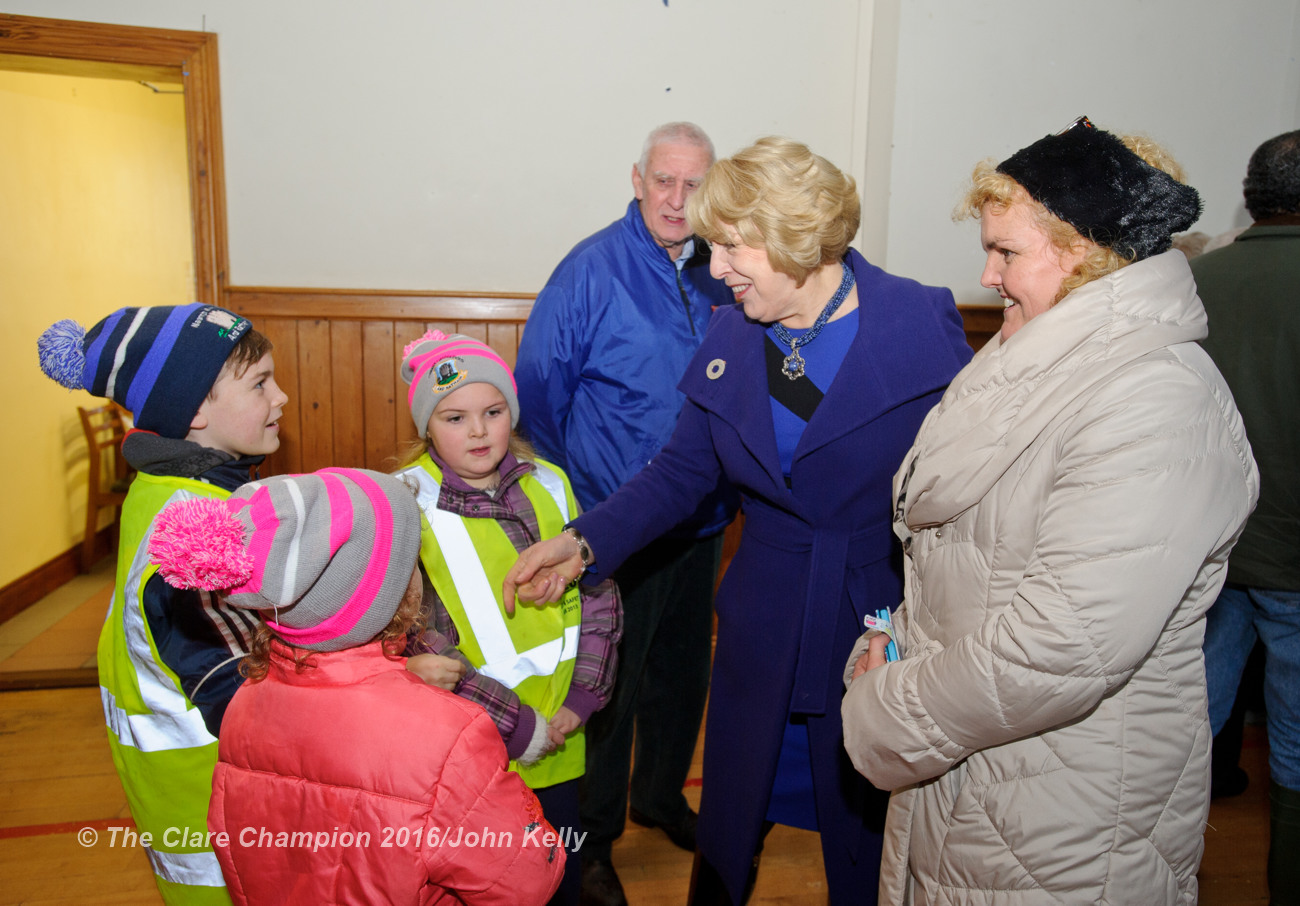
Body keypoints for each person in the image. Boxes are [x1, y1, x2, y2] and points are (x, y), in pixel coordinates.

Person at [507, 136, 972, 906]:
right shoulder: (734, 332)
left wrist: (920, 620)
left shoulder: (919, 320)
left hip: (876, 616)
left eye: (729, 246)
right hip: (763, 616)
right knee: (730, 822)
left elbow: (959, 493)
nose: (712, 266)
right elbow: (681, 472)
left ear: (792, 236)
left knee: (865, 832)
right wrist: (583, 542)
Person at [841, 116, 1259, 905]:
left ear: (1087, 255)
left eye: (1007, 252)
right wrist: (894, 646)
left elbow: (1059, 647)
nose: (990, 276)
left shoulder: (1156, 400)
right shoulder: (1031, 357)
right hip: (977, 766)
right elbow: (966, 558)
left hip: (1066, 807)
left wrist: (886, 710)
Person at [147, 468, 566, 906]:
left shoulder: (246, 704)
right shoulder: (443, 734)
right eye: (412, 559)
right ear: (395, 592)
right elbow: (526, 880)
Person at [513, 121, 737, 906]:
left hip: (703, 517)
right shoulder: (591, 269)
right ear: (637, 180)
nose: (678, 199)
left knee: (683, 673)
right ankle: (597, 838)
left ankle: (661, 795)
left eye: (693, 184)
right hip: (614, 522)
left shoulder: (726, 266)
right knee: (606, 684)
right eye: (664, 181)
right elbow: (539, 386)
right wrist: (584, 491)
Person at [37, 303, 288, 905]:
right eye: (260, 384)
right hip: (221, 824)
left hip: (204, 805)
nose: (281, 398)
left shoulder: (168, 488)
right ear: (194, 410)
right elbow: (246, 699)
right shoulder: (193, 530)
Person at [393, 330, 623, 906]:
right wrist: (519, 728)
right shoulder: (405, 505)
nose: (477, 431)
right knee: (494, 885)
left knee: (560, 875)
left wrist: (583, 700)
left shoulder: (551, 483)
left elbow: (597, 595)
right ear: (426, 425)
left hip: (564, 737)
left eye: (492, 412)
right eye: (454, 417)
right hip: (474, 751)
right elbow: (422, 639)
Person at [1196, 128, 1300, 904]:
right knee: (1297, 753)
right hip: (1295, 564)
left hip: (1206, 554)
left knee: (1179, 738)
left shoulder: (1193, 281)